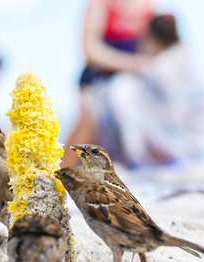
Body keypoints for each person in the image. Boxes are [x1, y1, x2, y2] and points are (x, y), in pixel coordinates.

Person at [105, 14, 204, 168]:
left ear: (153, 39)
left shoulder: (159, 68)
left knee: (122, 88)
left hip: (180, 148)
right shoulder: (187, 59)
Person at [62, 0, 153, 166]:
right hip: (98, 80)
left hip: (133, 87)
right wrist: (131, 64)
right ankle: (56, 177)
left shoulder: (147, 6)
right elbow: (90, 49)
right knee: (87, 128)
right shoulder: (100, 4)